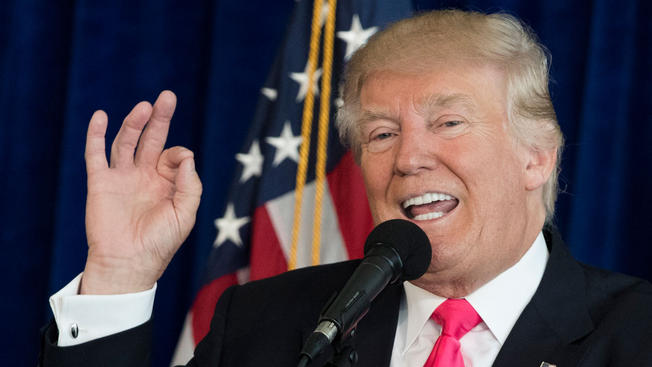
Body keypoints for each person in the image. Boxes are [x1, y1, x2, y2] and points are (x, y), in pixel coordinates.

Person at [39, 9, 652, 367]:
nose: (409, 157)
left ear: (537, 157)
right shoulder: (265, 326)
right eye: (382, 134)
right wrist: (119, 275)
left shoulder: (637, 332)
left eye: (449, 123)